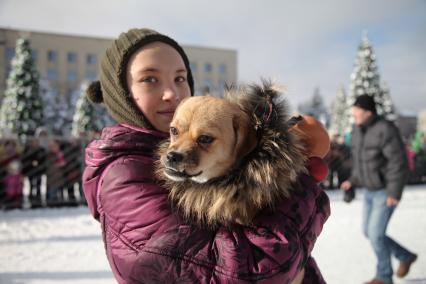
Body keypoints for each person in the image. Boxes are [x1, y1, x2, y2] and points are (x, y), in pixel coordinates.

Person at [82, 28, 330, 284]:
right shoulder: (124, 176)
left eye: (180, 78)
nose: (172, 94)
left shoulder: (224, 139)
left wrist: (282, 155)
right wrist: (300, 181)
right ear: (121, 92)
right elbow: (245, 270)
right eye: (150, 79)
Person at [341, 94, 417, 284]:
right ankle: (405, 256)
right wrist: (352, 180)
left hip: (384, 191)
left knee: (375, 234)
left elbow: (398, 163)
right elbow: (361, 163)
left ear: (368, 111)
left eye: (357, 110)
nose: (354, 113)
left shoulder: (385, 129)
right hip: (368, 190)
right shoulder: (358, 130)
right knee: (369, 232)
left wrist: (394, 192)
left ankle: (384, 276)